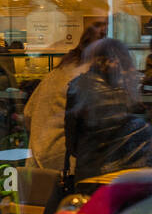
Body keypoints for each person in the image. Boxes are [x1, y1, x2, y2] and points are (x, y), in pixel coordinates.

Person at [64, 37, 152, 182]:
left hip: (93, 178)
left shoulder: (79, 87)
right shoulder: (136, 92)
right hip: (136, 180)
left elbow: (72, 144)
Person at [25, 18, 107, 171]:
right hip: (66, 163)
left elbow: (28, 113)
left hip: (37, 163)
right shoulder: (87, 76)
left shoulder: (57, 72)